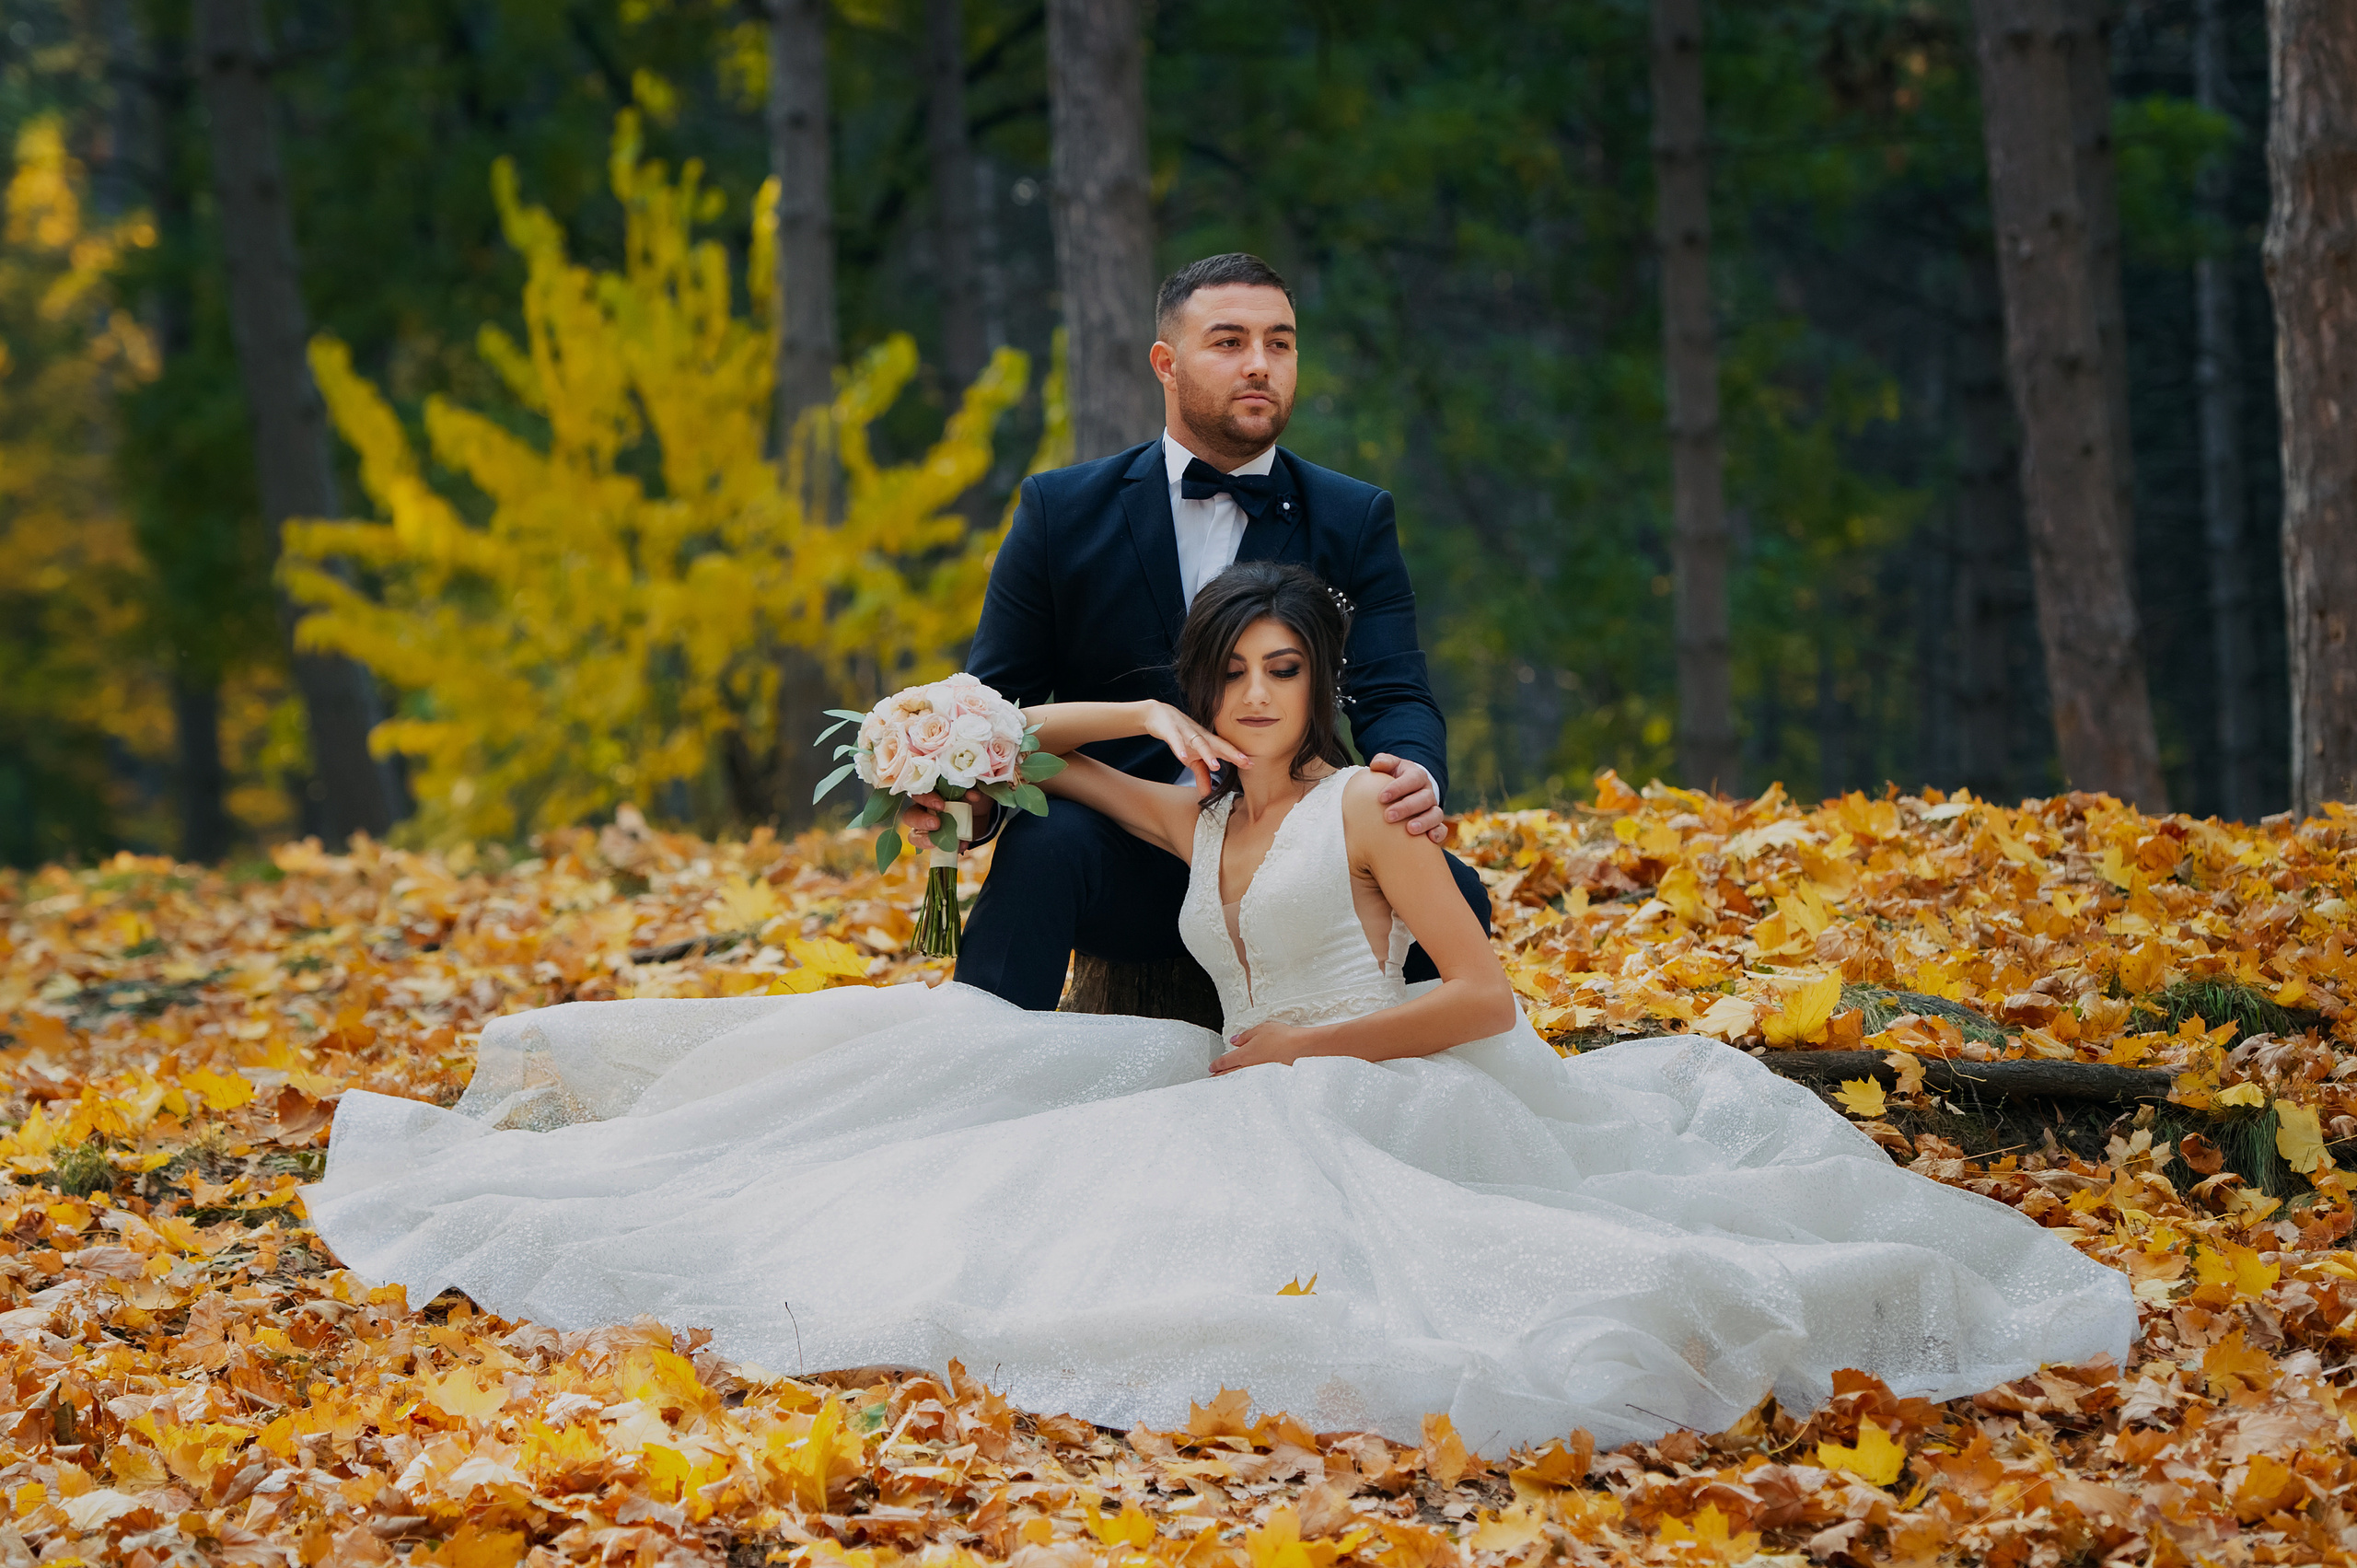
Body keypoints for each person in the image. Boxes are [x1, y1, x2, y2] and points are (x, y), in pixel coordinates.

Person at [306, 561, 2134, 1451]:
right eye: (1230, 674)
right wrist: (1131, 721)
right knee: (997, 1146)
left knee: (1374, 1242)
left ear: (1318, 687)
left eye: (1280, 673)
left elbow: (1483, 988)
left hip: (1387, 1073)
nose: (1257, 697)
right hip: (1237, 1062)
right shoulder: (1199, 801)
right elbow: (983, 742)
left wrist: (1309, 1046)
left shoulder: (1362, 808)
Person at [910, 251, 1491, 1010]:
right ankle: (978, 1076)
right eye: (1229, 342)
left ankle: (1402, 1097)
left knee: (1458, 892)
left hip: (1291, 846)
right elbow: (993, 707)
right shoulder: (1060, 512)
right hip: (1122, 844)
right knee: (1044, 845)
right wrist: (970, 802)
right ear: (1166, 362)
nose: (1260, 365)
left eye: (1279, 344)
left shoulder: (1353, 516)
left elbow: (1395, 689)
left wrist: (1415, 772)